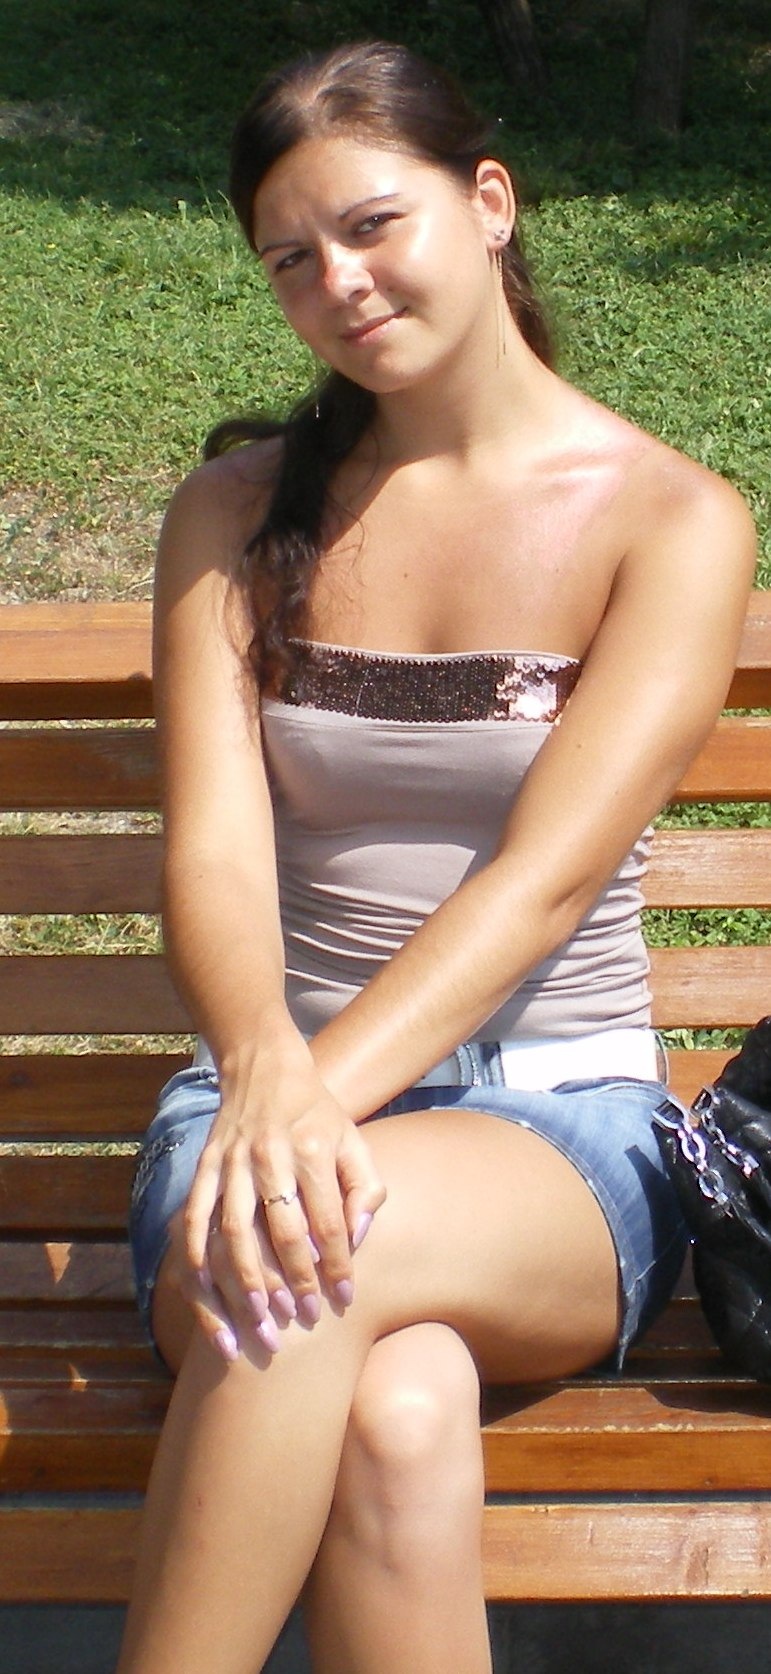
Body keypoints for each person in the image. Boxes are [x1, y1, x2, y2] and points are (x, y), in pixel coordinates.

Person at [118, 39, 756, 1674]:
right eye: (288, 258)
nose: (336, 282)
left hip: (559, 1125)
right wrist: (266, 1076)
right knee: (397, 1414)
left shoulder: (671, 519)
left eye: (370, 225)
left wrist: (305, 1107)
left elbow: (544, 882)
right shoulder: (235, 515)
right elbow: (216, 850)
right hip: (258, 1097)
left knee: (309, 1253)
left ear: (488, 203)